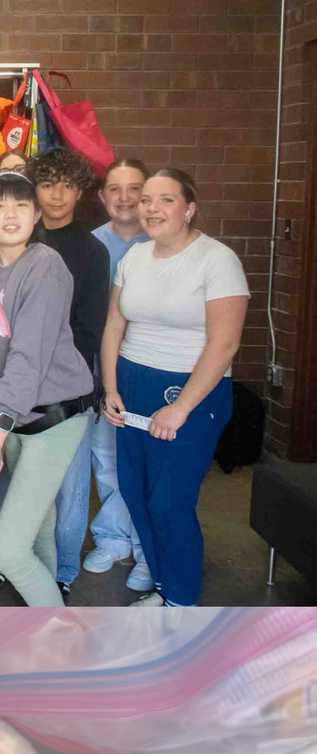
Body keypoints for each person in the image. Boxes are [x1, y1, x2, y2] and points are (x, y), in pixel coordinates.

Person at [101, 168, 249, 608]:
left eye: (166, 200)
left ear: (189, 208)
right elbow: (114, 326)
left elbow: (226, 343)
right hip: (131, 387)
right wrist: (110, 388)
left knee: (168, 502)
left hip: (187, 394)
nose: (152, 208)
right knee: (136, 493)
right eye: (147, 199)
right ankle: (165, 586)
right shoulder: (135, 257)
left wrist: (181, 408)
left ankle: (181, 603)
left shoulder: (216, 259)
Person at [0, 171, 95, 608]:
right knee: (37, 528)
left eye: (21, 204)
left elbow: (27, 357)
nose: (11, 214)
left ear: (37, 214)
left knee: (9, 550)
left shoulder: (44, 265)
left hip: (55, 414)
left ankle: (59, 641)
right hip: (13, 411)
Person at [27, 147, 111, 600]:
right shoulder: (20, 238)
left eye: (66, 185)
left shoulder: (92, 251)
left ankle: (63, 571)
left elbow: (89, 328)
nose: (57, 195)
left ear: (79, 191)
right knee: (23, 484)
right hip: (20, 385)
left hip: (68, 388)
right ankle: (25, 564)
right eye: (47, 184)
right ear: (34, 189)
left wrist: (48, 375)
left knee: (71, 488)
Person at [82, 158, 153, 592]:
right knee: (106, 458)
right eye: (115, 189)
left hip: (148, 366)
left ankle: (146, 550)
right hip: (100, 367)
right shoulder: (91, 245)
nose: (124, 198)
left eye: (135, 189)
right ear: (102, 196)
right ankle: (112, 540)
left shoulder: (163, 240)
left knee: (144, 465)